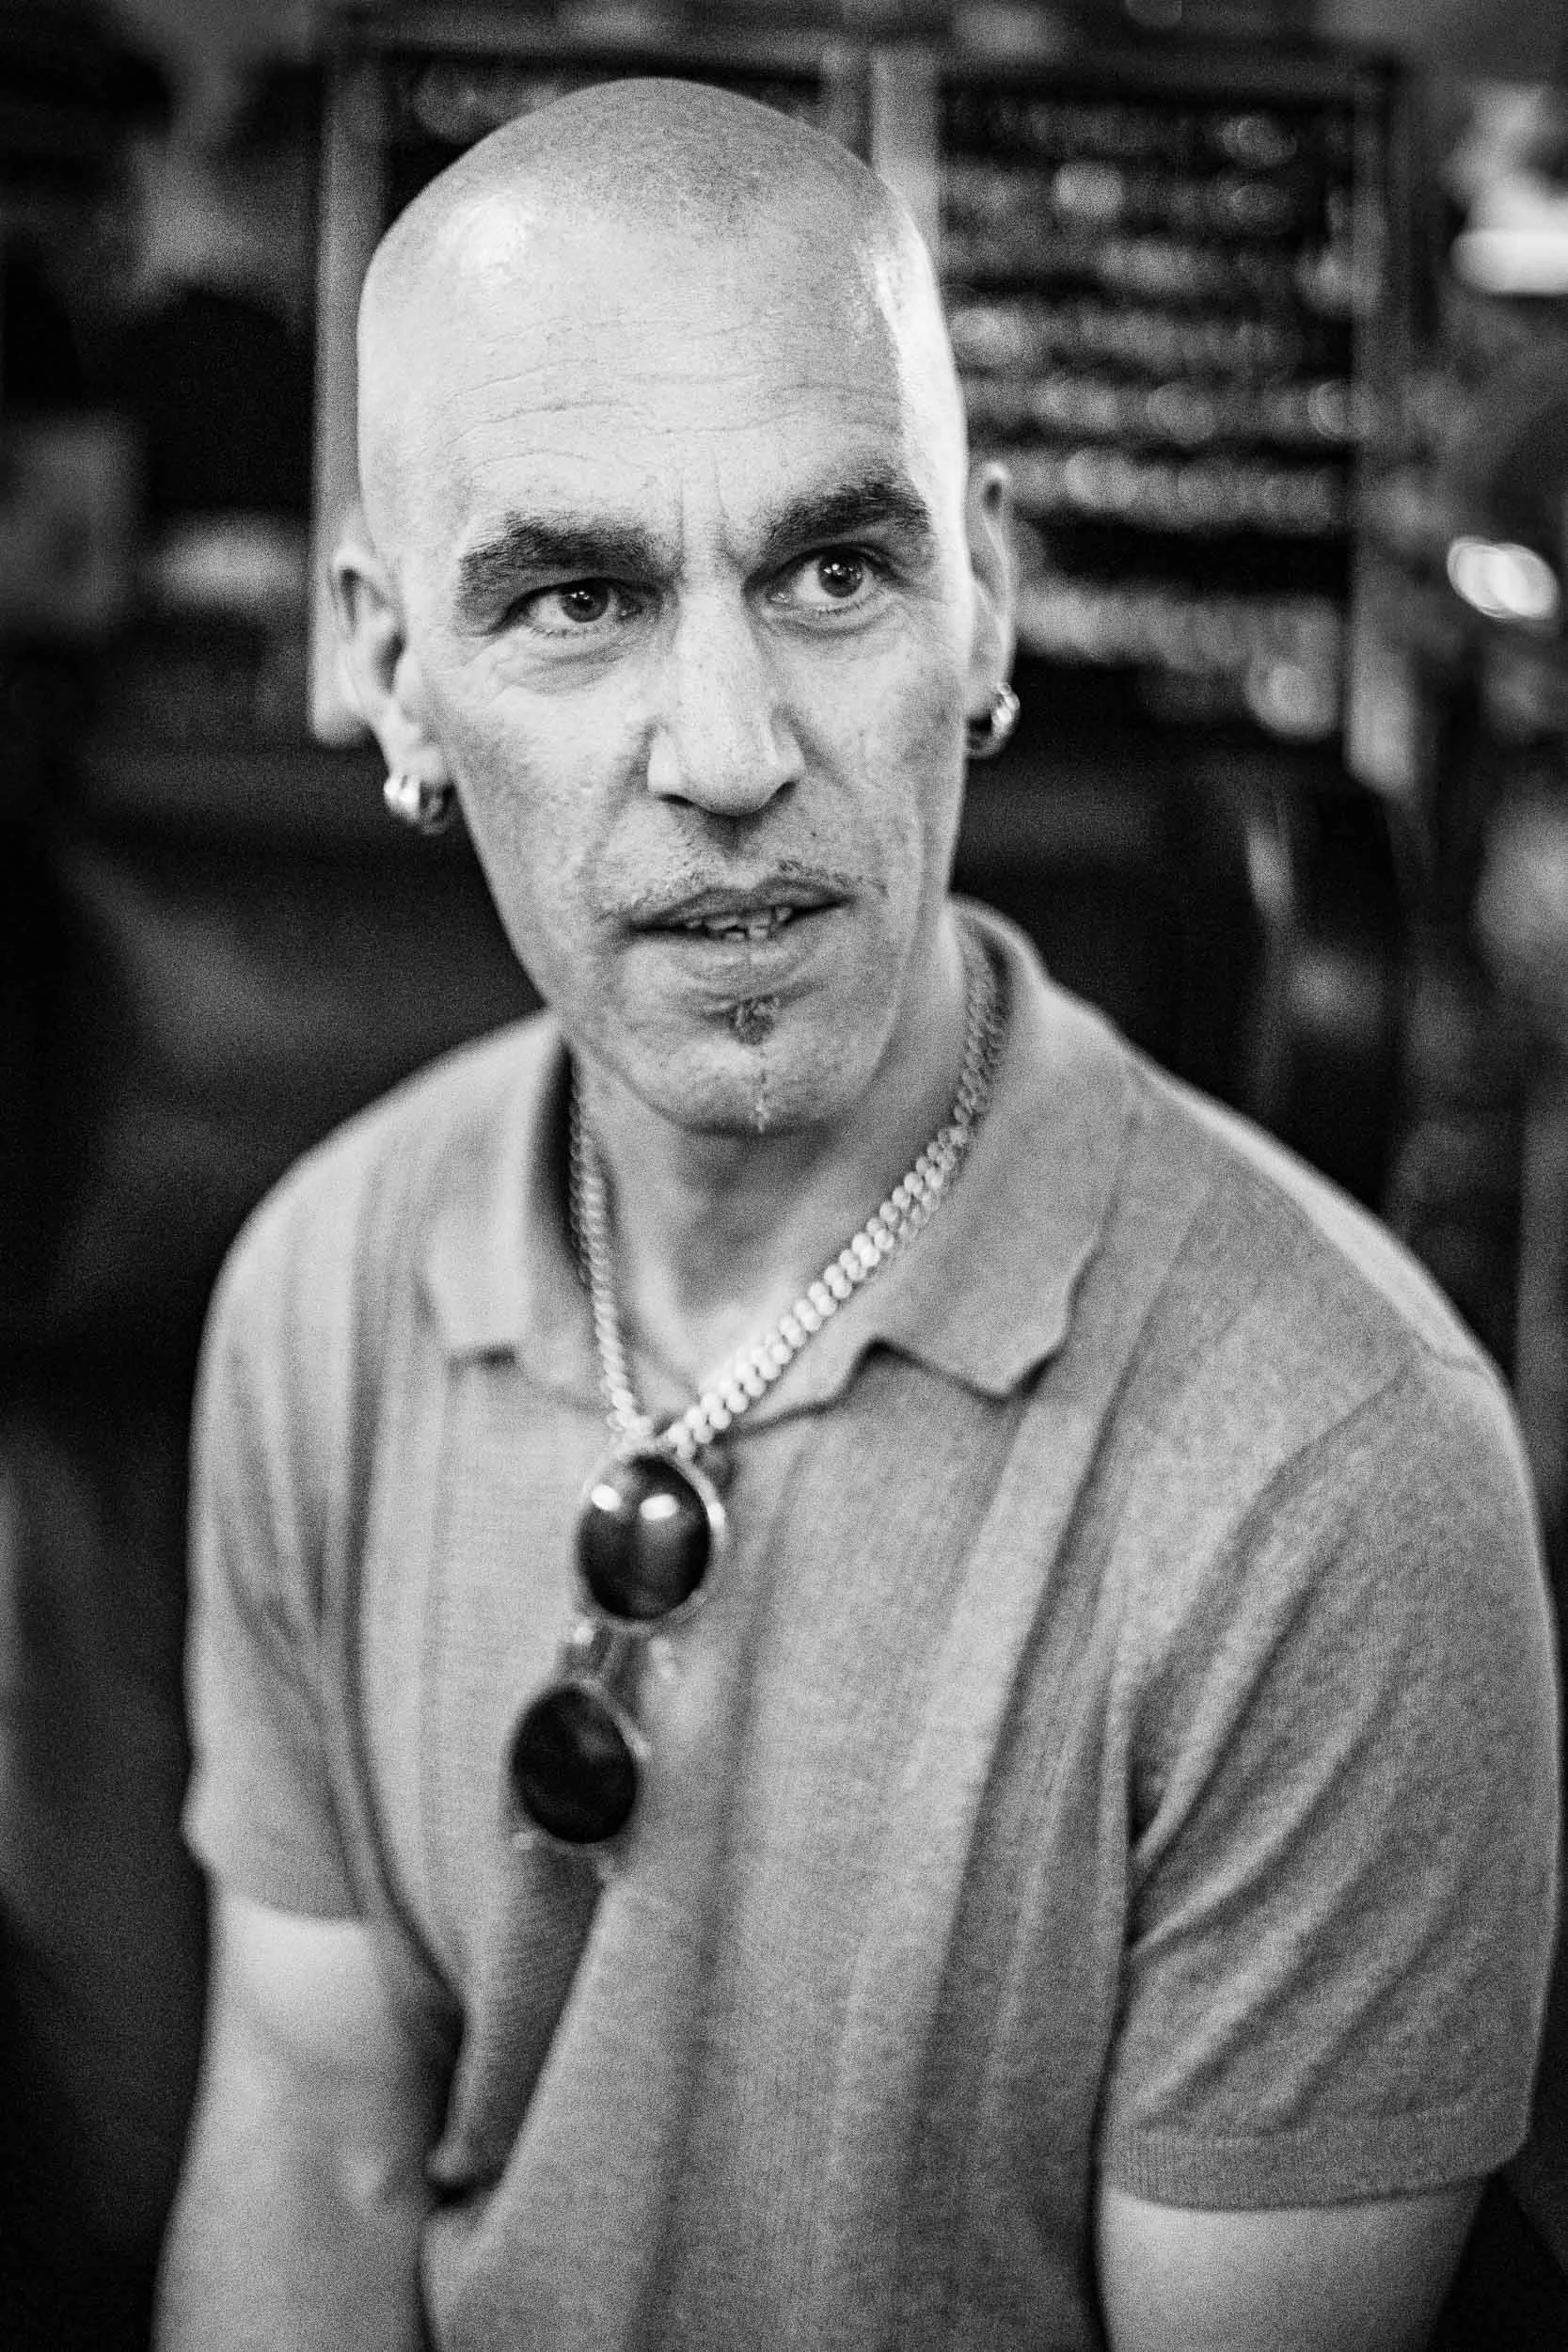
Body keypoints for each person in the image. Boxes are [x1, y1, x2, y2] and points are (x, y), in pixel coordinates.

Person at [155, 77, 1560, 2352]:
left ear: (980, 602)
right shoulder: (318, 1284)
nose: (725, 746)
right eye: (575, 596)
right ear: (392, 669)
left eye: (833, 569)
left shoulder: (1337, 1472)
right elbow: (309, 2142)